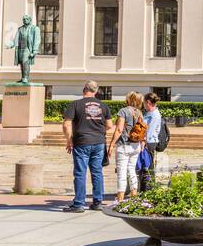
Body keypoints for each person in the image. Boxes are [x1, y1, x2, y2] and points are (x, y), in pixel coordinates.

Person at [62, 80, 108, 213]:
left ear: (84, 90)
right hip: (98, 142)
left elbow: (66, 124)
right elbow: (110, 125)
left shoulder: (75, 104)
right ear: (96, 91)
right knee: (97, 172)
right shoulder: (103, 106)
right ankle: (98, 202)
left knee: (80, 173)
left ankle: (79, 204)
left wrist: (69, 140)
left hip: (81, 142)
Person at [106, 91, 147, 204]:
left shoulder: (123, 111)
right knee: (132, 170)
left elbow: (119, 129)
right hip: (136, 146)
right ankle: (134, 196)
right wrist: (143, 142)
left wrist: (111, 144)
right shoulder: (139, 113)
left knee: (121, 172)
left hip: (124, 145)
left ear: (129, 99)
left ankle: (120, 199)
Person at [139, 92, 164, 191]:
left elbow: (150, 131)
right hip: (148, 141)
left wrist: (143, 142)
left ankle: (148, 188)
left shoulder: (154, 115)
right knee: (146, 165)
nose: (143, 105)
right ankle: (146, 188)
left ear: (148, 102)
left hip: (149, 142)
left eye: (144, 103)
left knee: (148, 166)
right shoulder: (149, 113)